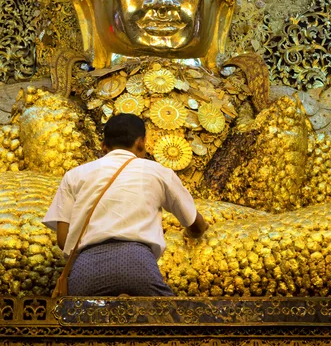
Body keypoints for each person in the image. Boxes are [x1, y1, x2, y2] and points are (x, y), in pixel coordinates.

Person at [42, 113, 208, 296]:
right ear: (141, 142)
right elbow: (197, 224)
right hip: (138, 266)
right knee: (167, 320)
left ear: (104, 146)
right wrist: (191, 232)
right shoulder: (158, 172)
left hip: (86, 270)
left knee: (82, 322)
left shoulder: (74, 175)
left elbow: (63, 240)